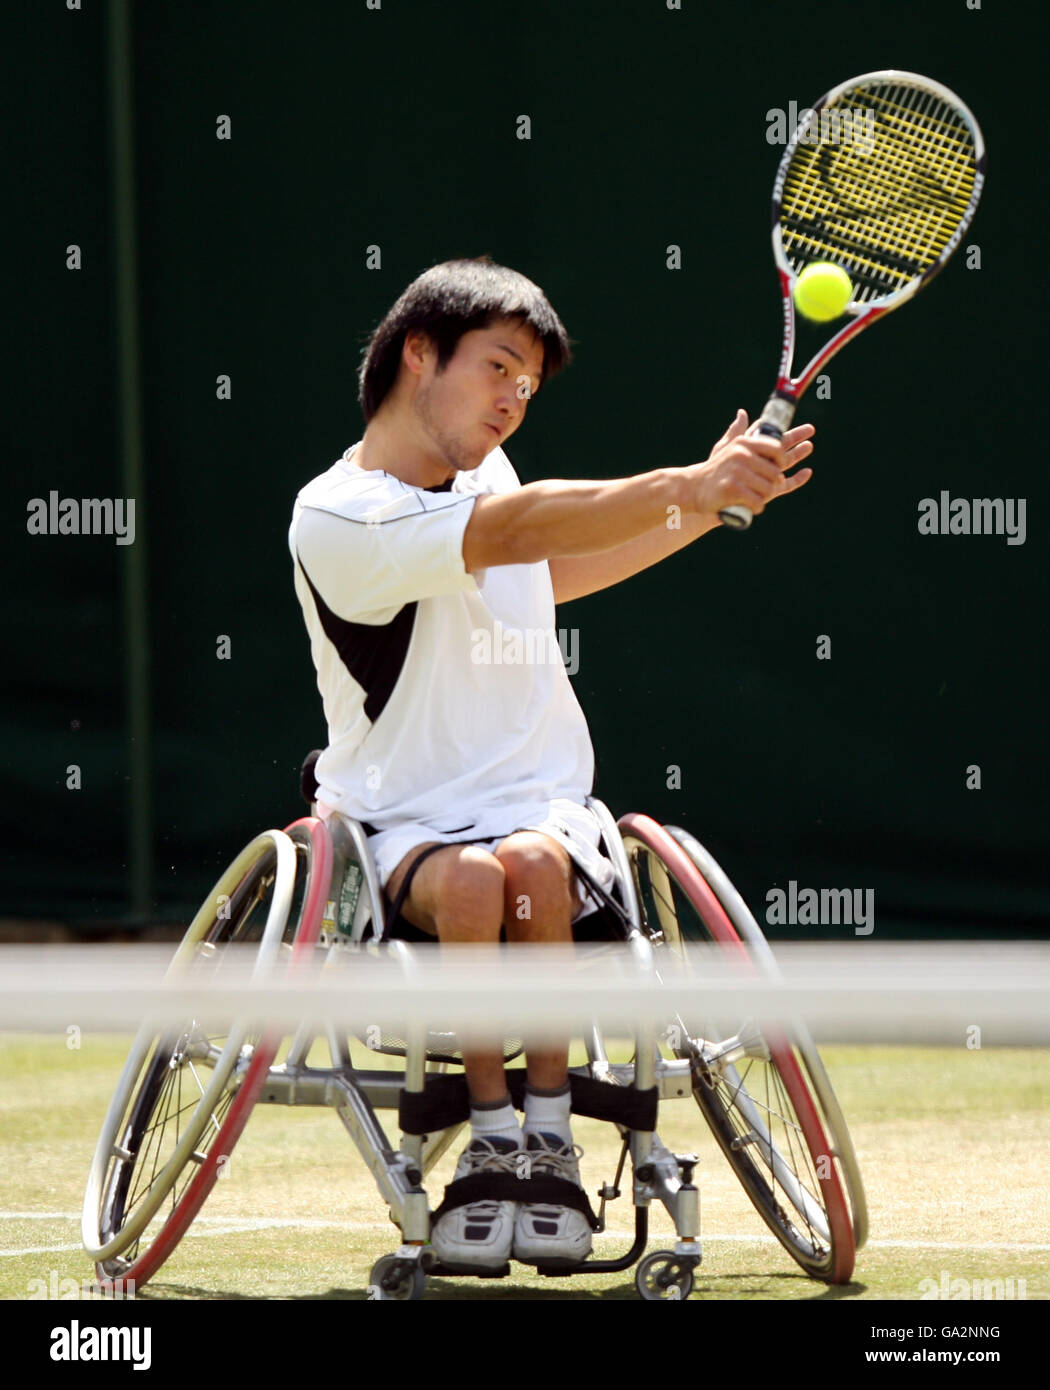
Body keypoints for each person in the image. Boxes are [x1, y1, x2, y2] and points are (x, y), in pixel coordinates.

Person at [288, 257, 813, 1272]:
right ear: (416, 353)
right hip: (401, 823)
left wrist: (701, 508)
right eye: (497, 367)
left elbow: (553, 564)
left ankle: (550, 1142)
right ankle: (491, 1148)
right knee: (482, 879)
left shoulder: (488, 476)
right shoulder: (338, 514)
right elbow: (518, 530)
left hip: (542, 804)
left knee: (527, 871)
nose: (512, 400)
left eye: (528, 386)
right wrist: (685, 484)